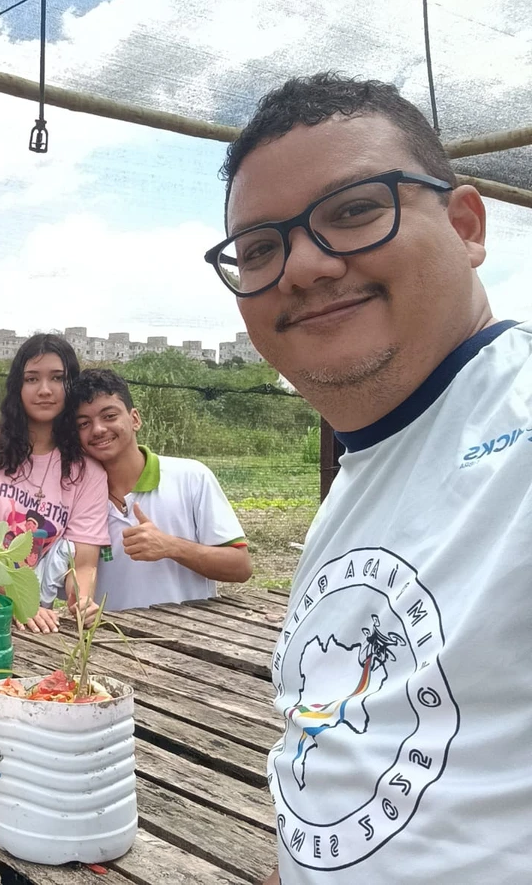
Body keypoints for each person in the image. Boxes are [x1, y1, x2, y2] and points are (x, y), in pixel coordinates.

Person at [209, 73, 529, 885]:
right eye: (260, 249)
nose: (303, 267)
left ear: (465, 226)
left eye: (354, 210)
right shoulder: (364, 479)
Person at [71, 369, 251, 608]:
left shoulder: (191, 478)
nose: (98, 429)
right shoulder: (76, 497)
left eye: (109, 416)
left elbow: (240, 567)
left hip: (189, 631)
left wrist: (171, 546)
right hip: (108, 632)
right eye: (84, 423)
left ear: (135, 419)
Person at [0, 334, 108, 633]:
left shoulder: (87, 473)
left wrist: (81, 601)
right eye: (32, 379)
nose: (45, 390)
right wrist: (16, 602)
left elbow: (83, 562)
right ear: (17, 386)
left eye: (57, 378)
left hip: (36, 622)